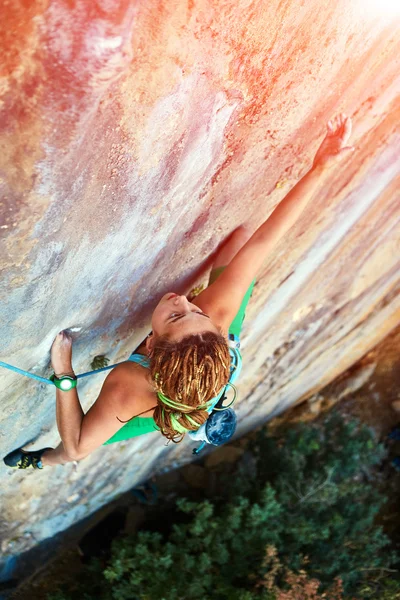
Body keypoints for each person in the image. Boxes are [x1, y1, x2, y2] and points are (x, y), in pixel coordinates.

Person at [4, 114, 355, 469]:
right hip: (208, 372)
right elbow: (261, 246)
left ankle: (40, 462)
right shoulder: (215, 317)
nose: (184, 299)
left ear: (151, 346)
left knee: (82, 445)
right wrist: (320, 170)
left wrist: (65, 375)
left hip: (174, 409)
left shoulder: (129, 386)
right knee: (238, 245)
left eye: (176, 315)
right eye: (195, 311)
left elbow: (79, 445)